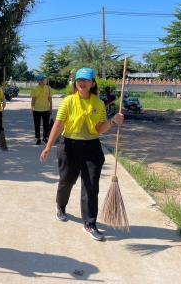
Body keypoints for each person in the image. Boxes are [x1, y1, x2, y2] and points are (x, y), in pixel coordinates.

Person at [39, 67, 124, 241]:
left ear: (92, 83)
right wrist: (48, 146)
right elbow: (59, 124)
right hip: (69, 146)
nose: (82, 83)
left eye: (85, 80)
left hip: (92, 147)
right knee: (67, 180)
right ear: (75, 83)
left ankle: (90, 223)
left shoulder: (98, 103)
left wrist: (113, 121)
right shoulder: (68, 101)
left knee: (91, 186)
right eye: (79, 80)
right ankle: (61, 206)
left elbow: (100, 128)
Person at [31, 75, 52, 145]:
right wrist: (32, 108)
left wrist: (51, 108)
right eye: (42, 80)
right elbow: (33, 100)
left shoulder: (48, 88)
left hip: (46, 109)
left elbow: (50, 99)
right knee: (37, 125)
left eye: (44, 80)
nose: (44, 81)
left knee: (46, 125)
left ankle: (45, 137)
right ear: (38, 81)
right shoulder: (35, 89)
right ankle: (38, 138)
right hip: (37, 110)